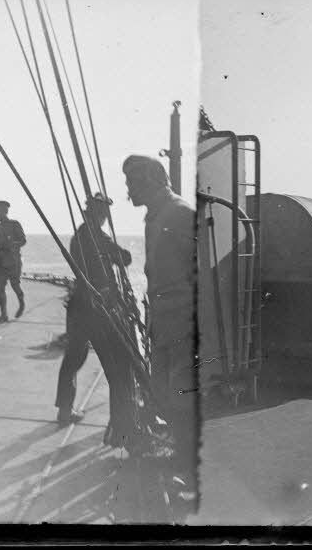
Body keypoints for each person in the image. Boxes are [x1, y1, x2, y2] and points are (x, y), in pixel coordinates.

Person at [123, 154, 197, 505]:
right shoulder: (154, 216)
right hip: (162, 321)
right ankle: (182, 458)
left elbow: (200, 272)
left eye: (133, 182)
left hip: (182, 321)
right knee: (165, 397)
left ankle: (189, 469)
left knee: (182, 397)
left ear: (152, 180)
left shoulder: (180, 214)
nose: (128, 189)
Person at [56, 193, 139, 448]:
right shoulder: (97, 237)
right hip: (99, 309)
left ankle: (64, 410)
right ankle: (121, 428)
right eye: (103, 213)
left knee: (73, 358)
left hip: (79, 305)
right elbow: (124, 258)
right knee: (118, 366)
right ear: (99, 215)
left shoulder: (78, 237)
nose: (104, 217)